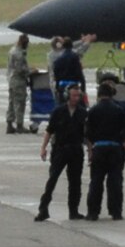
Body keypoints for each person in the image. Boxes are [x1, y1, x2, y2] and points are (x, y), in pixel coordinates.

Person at [37, 85, 88, 221]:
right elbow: (49, 130)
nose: (76, 98)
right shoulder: (58, 111)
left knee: (75, 182)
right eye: (74, 95)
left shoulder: (83, 113)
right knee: (52, 179)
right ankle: (43, 208)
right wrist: (43, 147)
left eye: (78, 96)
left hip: (76, 150)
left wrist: (90, 150)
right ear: (67, 96)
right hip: (60, 149)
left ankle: (73, 210)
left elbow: (87, 134)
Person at [85, 81, 125, 221]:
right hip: (115, 148)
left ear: (99, 95)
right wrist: (124, 149)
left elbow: (87, 134)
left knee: (96, 182)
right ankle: (116, 211)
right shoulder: (120, 110)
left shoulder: (93, 110)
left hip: (99, 148)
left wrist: (90, 151)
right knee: (115, 182)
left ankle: (93, 212)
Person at [50, 34, 95, 102]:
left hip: (59, 86)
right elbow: (78, 50)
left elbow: (69, 46)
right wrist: (87, 42)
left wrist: (81, 41)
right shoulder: (71, 56)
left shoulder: (54, 55)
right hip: (71, 86)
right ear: (59, 45)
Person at [7, 34, 33, 134]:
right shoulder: (19, 54)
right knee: (20, 102)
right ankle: (19, 125)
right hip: (18, 80)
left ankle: (9, 124)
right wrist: (30, 72)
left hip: (11, 79)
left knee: (11, 102)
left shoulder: (12, 50)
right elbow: (20, 70)